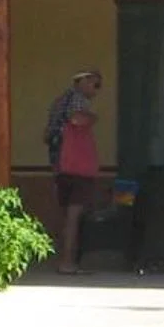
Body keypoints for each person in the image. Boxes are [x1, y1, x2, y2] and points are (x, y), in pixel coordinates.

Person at [44, 69, 104, 275]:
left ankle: (65, 260)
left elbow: (48, 134)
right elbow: (77, 119)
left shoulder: (59, 101)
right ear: (83, 82)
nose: (96, 91)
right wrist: (93, 118)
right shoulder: (77, 100)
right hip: (75, 166)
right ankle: (67, 262)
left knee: (67, 215)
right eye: (95, 85)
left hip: (60, 165)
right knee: (74, 215)